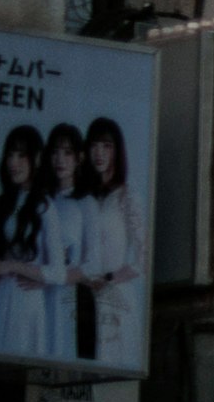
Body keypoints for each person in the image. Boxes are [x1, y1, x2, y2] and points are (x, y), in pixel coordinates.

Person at [72, 112, 143, 376]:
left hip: (116, 297)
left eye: (106, 146)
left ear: (116, 151)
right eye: (94, 145)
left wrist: (111, 277)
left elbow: (142, 256)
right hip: (81, 295)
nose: (99, 153)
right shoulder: (82, 196)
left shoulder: (127, 195)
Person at [35, 123, 88, 372]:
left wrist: (49, 277)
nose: (60, 159)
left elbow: (89, 265)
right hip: (33, 293)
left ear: (79, 158)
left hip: (64, 296)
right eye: (55, 151)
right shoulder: (41, 199)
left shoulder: (85, 204)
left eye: (67, 153)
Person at [0, 124, 48, 365]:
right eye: (10, 154)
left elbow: (58, 269)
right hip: (3, 297)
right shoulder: (3, 203)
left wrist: (14, 267)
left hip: (27, 305)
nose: (13, 162)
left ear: (35, 159)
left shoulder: (45, 207)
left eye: (21, 155)